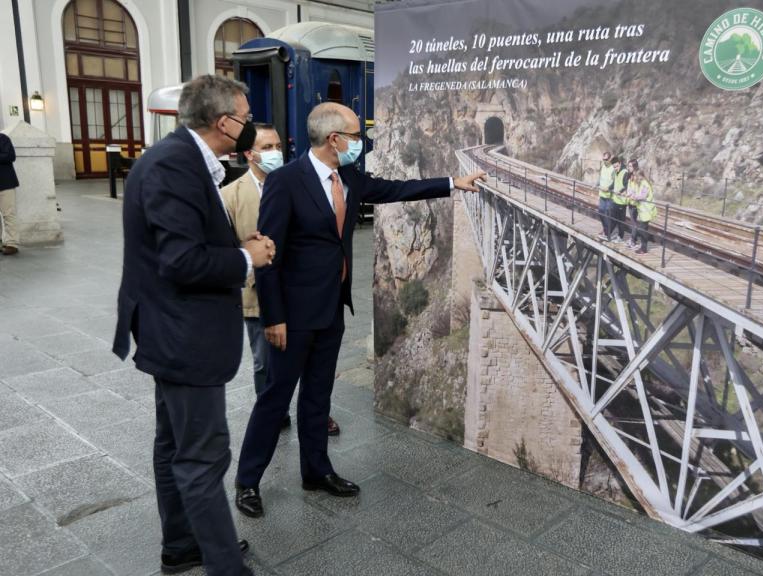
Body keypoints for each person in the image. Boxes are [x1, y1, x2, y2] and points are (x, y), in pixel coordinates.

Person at [234, 102, 487, 517]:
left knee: (318, 395)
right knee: (275, 398)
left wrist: (453, 183)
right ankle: (248, 481)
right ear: (335, 139)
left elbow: (393, 189)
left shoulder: (348, 175)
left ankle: (316, 469)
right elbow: (268, 256)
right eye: (355, 135)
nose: (360, 142)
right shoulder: (285, 182)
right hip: (293, 316)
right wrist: (273, 316)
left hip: (331, 307)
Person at [112, 74, 276, 576]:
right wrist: (246, 258)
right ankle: (225, 567)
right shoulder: (173, 166)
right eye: (246, 120)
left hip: (172, 329)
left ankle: (181, 545)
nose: (249, 129)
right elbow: (181, 261)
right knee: (203, 458)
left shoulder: (180, 159)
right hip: (184, 334)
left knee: (174, 444)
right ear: (224, 122)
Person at [220, 124, 342, 436]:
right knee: (266, 365)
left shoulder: (295, 181)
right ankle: (274, 412)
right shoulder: (229, 197)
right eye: (269, 147)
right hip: (257, 295)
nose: (277, 152)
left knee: (308, 363)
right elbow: (225, 251)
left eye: (278, 145)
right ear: (250, 154)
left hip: (297, 296)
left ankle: (315, 414)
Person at [0, 131, 19, 255]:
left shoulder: (3, 139)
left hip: (5, 183)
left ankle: (12, 243)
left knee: (8, 214)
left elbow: (10, 156)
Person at [632, 169, 658, 255]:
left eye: (637, 176)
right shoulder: (642, 183)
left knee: (641, 229)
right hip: (643, 211)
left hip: (646, 211)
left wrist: (635, 197)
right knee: (642, 229)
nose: (636, 178)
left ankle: (648, 239)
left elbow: (643, 196)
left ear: (641, 176)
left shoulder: (645, 184)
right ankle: (643, 248)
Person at [608, 157, 631, 243]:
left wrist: (620, 192)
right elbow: (615, 183)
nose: (615, 168)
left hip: (622, 201)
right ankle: (608, 234)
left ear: (620, 163)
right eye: (614, 167)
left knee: (621, 221)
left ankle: (620, 237)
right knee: (613, 218)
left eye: (616, 166)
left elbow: (626, 185)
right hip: (616, 199)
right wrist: (609, 188)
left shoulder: (624, 172)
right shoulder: (616, 172)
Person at [596, 152, 615, 239]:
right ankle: (605, 229)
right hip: (602, 194)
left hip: (609, 196)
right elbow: (600, 177)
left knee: (607, 213)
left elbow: (616, 182)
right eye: (603, 159)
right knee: (600, 212)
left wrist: (609, 188)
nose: (604, 161)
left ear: (610, 159)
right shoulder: (603, 166)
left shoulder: (613, 168)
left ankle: (608, 233)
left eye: (606, 159)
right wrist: (596, 184)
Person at [624, 159, 640, 248]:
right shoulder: (630, 176)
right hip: (630, 201)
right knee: (633, 221)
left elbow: (638, 190)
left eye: (630, 166)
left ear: (634, 167)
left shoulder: (637, 177)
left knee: (634, 222)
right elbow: (629, 188)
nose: (629, 168)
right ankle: (633, 238)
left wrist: (632, 194)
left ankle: (633, 240)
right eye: (628, 166)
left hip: (635, 202)